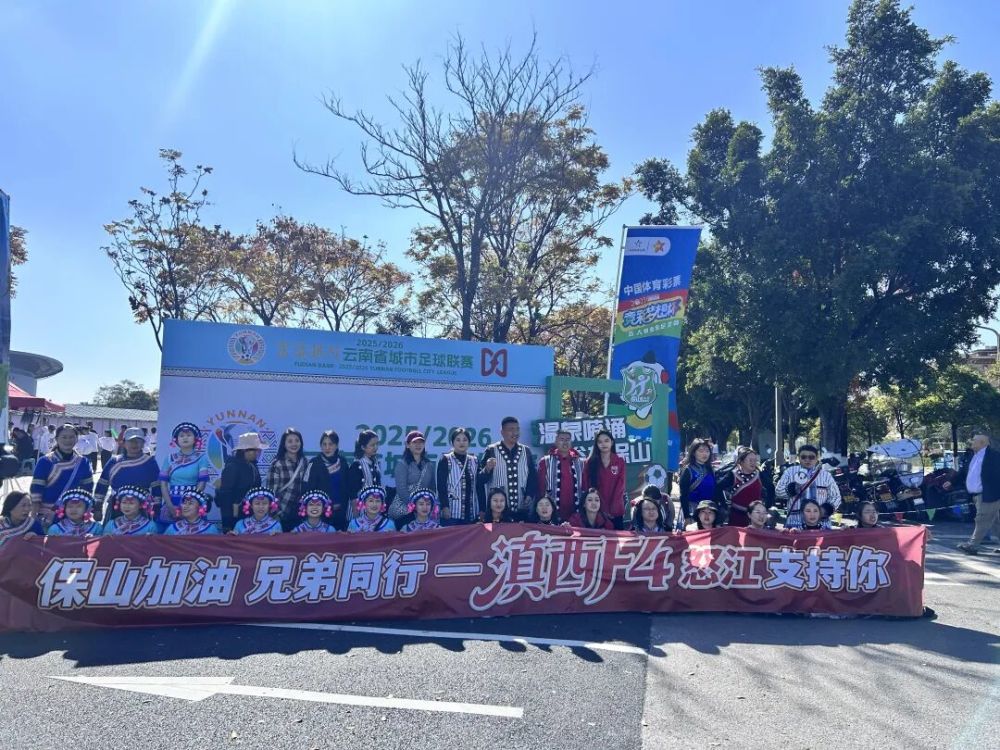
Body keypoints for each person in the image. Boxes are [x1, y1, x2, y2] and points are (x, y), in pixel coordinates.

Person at [30, 424, 94, 527]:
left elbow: (87, 489)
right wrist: (34, 515)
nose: (68, 440)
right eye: (64, 437)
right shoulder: (45, 461)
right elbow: (36, 490)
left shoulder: (83, 462)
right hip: (47, 515)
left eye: (71, 437)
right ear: (56, 439)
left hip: (73, 515)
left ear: (77, 439)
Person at [95, 427, 160, 522]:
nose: (135, 444)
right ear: (124, 443)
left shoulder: (150, 462)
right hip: (116, 507)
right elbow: (102, 484)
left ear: (143, 443)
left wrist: (157, 509)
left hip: (142, 508)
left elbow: (156, 486)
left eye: (138, 441)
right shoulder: (114, 461)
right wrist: (98, 507)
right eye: (131, 441)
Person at [478, 417, 537, 519]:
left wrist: (529, 495)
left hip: (521, 510)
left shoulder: (526, 451)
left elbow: (532, 477)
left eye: (517, 429)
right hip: (498, 513)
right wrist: (487, 469)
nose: (515, 433)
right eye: (511, 429)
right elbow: (480, 480)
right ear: (502, 432)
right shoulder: (491, 450)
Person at [774, 445, 842, 529]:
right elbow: (778, 492)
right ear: (798, 458)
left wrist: (824, 510)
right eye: (803, 457)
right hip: (794, 524)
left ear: (817, 458)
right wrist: (794, 487)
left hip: (822, 525)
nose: (807, 460)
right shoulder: (789, 472)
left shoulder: (826, 475)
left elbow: (836, 497)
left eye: (811, 457)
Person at [158, 422, 211, 527]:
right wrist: (169, 505)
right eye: (181, 436)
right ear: (176, 440)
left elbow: (202, 483)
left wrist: (190, 502)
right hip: (172, 500)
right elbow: (163, 484)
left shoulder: (201, 458)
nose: (185, 438)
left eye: (189, 435)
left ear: (195, 439)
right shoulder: (169, 458)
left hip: (193, 501)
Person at [954, 434, 1000, 555]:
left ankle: (972, 545)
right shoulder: (972, 455)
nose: (971, 442)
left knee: (982, 519)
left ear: (982, 443)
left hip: (989, 494)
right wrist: (951, 482)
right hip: (976, 495)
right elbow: (964, 471)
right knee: (995, 522)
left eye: (974, 440)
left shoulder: (994, 456)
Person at [216, 432, 265, 533]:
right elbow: (225, 495)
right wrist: (227, 524)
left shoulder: (253, 465)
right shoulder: (232, 467)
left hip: (251, 515)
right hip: (235, 517)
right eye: (253, 450)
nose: (257, 453)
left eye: (258, 450)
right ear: (243, 450)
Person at [536, 430, 587, 523]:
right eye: (562, 439)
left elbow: (585, 487)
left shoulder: (581, 463)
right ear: (556, 442)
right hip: (552, 515)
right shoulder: (545, 461)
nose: (565, 442)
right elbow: (540, 488)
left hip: (576, 515)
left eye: (568, 439)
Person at [714, 447, 772, 527]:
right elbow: (718, 488)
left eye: (755, 460)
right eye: (750, 460)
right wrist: (724, 505)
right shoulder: (732, 475)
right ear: (741, 461)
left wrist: (767, 506)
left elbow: (771, 488)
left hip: (755, 517)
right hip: (737, 516)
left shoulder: (759, 475)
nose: (753, 463)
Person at [436, 428, 480, 525]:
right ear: (452, 442)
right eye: (458, 440)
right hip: (452, 512)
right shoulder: (446, 459)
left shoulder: (475, 460)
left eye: (465, 440)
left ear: (469, 443)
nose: (461, 443)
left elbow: (479, 486)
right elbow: (441, 486)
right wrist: (445, 506)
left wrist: (481, 509)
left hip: (471, 512)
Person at [303, 430, 346, 529]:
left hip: (340, 514)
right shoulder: (314, 463)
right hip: (320, 516)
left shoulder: (343, 462)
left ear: (336, 446)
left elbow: (347, 488)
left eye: (331, 444)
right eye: (324, 444)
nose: (327, 448)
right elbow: (306, 489)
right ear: (320, 446)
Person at [267, 428, 309, 528]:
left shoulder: (305, 462)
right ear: (284, 444)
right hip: (281, 513)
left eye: (297, 441)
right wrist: (275, 514)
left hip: (300, 514)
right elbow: (270, 493)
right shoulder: (277, 464)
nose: (294, 444)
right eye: (290, 441)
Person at [584, 429, 626, 528]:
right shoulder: (590, 462)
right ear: (596, 445)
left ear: (612, 442)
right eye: (600, 442)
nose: (603, 444)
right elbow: (586, 486)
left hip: (615, 510)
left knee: (618, 536)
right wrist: (602, 509)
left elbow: (620, 486)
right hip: (596, 510)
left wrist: (612, 509)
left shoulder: (619, 461)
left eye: (606, 441)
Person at [392, 431, 435, 522]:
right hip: (406, 511)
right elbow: (401, 490)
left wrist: (427, 506)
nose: (418, 445)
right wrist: (414, 506)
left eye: (421, 442)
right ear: (407, 445)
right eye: (414, 442)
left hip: (424, 511)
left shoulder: (429, 465)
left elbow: (432, 488)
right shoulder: (402, 464)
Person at [346, 430, 382, 523]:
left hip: (373, 513)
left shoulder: (375, 463)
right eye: (372, 445)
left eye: (377, 444)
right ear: (363, 447)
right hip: (359, 514)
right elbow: (353, 494)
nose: (375, 447)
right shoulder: (357, 465)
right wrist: (356, 520)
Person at [679, 439, 716, 520]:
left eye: (707, 451)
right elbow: (683, 495)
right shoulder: (688, 470)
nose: (705, 454)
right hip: (692, 511)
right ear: (693, 452)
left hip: (709, 510)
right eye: (701, 451)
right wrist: (687, 517)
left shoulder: (711, 470)